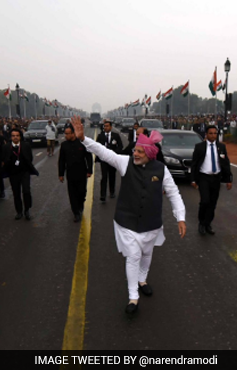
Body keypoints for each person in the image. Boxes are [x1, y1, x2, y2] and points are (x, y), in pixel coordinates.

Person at [70, 116, 186, 314]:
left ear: (149, 154)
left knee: (147, 253)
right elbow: (105, 153)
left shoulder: (161, 169)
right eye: (135, 150)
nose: (136, 154)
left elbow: (174, 193)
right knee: (133, 256)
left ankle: (142, 279)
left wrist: (180, 217)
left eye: (140, 151)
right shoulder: (125, 162)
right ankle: (133, 297)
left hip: (151, 222)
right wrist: (84, 139)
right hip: (127, 221)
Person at [190, 125, 233, 236]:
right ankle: (201, 223)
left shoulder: (221, 147)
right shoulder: (199, 147)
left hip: (216, 178)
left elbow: (226, 163)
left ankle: (207, 224)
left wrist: (228, 179)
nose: (213, 135)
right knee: (205, 201)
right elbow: (194, 164)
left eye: (215, 133)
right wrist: (193, 179)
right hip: (204, 177)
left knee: (212, 203)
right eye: (211, 133)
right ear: (206, 134)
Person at [58, 124, 93, 222]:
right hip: (70, 174)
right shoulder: (64, 145)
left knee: (82, 192)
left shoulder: (82, 143)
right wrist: (61, 174)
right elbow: (61, 160)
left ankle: (80, 205)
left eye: (68, 134)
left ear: (73, 134)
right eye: (65, 134)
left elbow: (88, 157)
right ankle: (76, 212)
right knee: (72, 194)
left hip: (82, 173)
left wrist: (89, 170)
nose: (66, 135)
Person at [3, 128, 39, 220]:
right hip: (13, 173)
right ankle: (19, 211)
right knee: (16, 193)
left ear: (20, 136)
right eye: (13, 136)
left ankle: (27, 210)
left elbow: (30, 158)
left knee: (26, 191)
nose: (15, 137)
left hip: (24, 172)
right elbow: (4, 159)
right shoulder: (7, 147)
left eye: (17, 136)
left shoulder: (25, 145)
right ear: (11, 137)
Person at [95, 121, 123, 202]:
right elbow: (97, 147)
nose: (105, 127)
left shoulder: (116, 136)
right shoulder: (100, 136)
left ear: (111, 127)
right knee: (104, 177)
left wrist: (115, 153)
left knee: (112, 176)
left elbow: (120, 146)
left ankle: (112, 192)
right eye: (104, 126)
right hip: (104, 160)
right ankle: (102, 195)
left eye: (107, 126)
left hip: (112, 159)